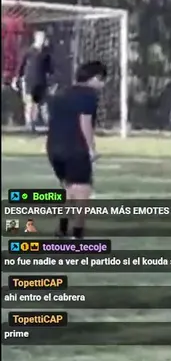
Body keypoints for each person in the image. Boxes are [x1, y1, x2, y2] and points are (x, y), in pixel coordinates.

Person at [45, 61, 106, 239]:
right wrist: (91, 149)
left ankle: (62, 229)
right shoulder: (88, 95)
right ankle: (77, 234)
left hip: (54, 148)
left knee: (69, 189)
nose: (102, 85)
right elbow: (84, 122)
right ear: (95, 78)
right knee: (82, 190)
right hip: (75, 148)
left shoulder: (62, 93)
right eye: (102, 80)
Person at [13, 31, 54, 131]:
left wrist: (51, 82)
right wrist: (16, 78)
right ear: (36, 39)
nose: (42, 40)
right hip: (29, 80)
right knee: (29, 103)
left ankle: (38, 123)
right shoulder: (28, 52)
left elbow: (49, 70)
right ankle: (29, 123)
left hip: (41, 81)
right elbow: (21, 66)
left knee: (39, 103)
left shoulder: (46, 54)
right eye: (41, 38)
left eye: (43, 38)